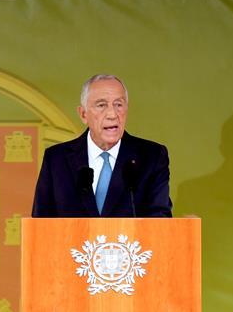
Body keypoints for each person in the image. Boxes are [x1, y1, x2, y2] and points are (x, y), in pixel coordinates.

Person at [32, 74, 172, 218]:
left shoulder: (152, 157)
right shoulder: (56, 159)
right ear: (83, 114)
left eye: (118, 105)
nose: (112, 114)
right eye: (101, 105)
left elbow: (160, 220)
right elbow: (40, 223)